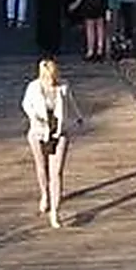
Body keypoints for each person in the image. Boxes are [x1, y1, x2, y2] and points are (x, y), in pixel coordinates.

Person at [21, 58, 82, 229]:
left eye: (53, 77)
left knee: (57, 172)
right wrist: (34, 116)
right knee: (42, 167)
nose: (51, 81)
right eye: (48, 78)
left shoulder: (63, 86)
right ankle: (44, 194)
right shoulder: (33, 87)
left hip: (59, 132)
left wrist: (78, 117)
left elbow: (71, 101)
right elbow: (26, 104)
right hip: (39, 132)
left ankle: (55, 211)